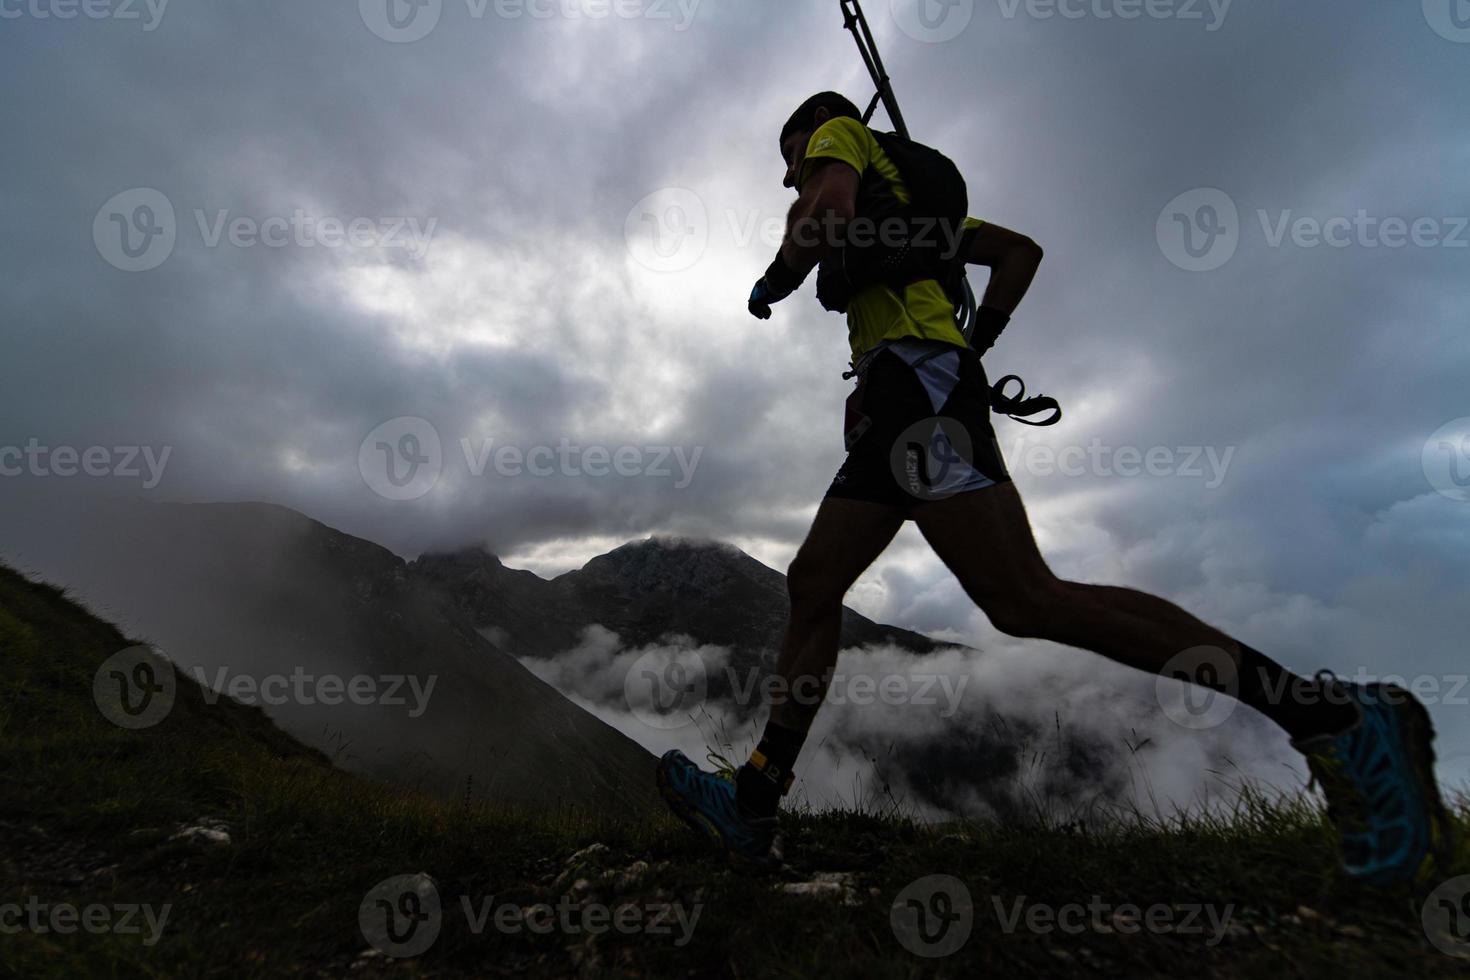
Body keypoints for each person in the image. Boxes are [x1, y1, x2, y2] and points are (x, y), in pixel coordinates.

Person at [656, 92, 1450, 886]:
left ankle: (1332, 719)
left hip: (919, 397)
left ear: (830, 139)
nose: (792, 178)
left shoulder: (842, 144)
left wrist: (776, 277)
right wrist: (968, 346)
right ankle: (755, 800)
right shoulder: (919, 218)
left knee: (1029, 600)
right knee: (818, 580)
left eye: (793, 161)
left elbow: (825, 211)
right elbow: (1019, 253)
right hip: (908, 392)